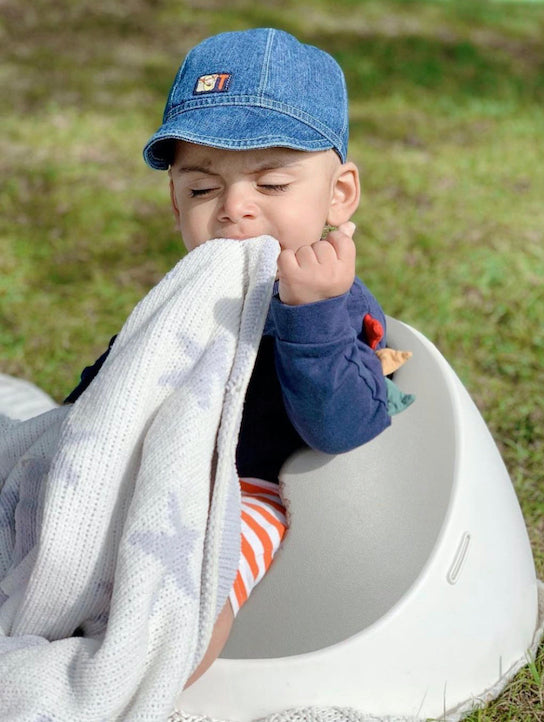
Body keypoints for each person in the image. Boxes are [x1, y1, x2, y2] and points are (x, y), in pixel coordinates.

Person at [64, 27, 392, 686]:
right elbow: (113, 385)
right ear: (174, 199)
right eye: (202, 189)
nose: (234, 209)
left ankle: (118, 687)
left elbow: (345, 426)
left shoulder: (335, 305)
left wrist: (313, 318)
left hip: (247, 489)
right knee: (52, 539)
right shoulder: (187, 298)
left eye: (271, 184)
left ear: (339, 195)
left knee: (183, 602)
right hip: (140, 472)